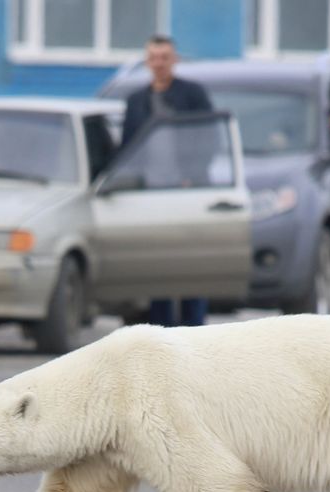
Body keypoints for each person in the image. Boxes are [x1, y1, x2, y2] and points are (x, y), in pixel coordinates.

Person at [121, 35, 213, 328]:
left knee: (193, 265)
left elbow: (209, 138)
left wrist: (192, 176)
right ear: (147, 61)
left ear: (174, 60)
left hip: (188, 193)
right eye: (153, 58)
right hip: (152, 196)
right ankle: (160, 332)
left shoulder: (192, 95)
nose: (159, 64)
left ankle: (194, 329)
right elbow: (128, 148)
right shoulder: (137, 101)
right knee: (158, 267)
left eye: (165, 57)